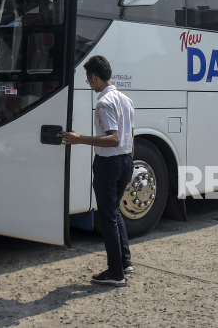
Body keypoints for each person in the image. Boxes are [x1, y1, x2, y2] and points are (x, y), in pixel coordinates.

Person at [59, 55, 134, 287]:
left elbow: (113, 139)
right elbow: (131, 136)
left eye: (88, 80)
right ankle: (125, 261)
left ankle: (115, 273)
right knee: (115, 211)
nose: (89, 85)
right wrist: (129, 164)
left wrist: (79, 139)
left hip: (109, 164)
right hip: (126, 162)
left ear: (94, 77)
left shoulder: (104, 102)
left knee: (108, 216)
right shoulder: (126, 99)